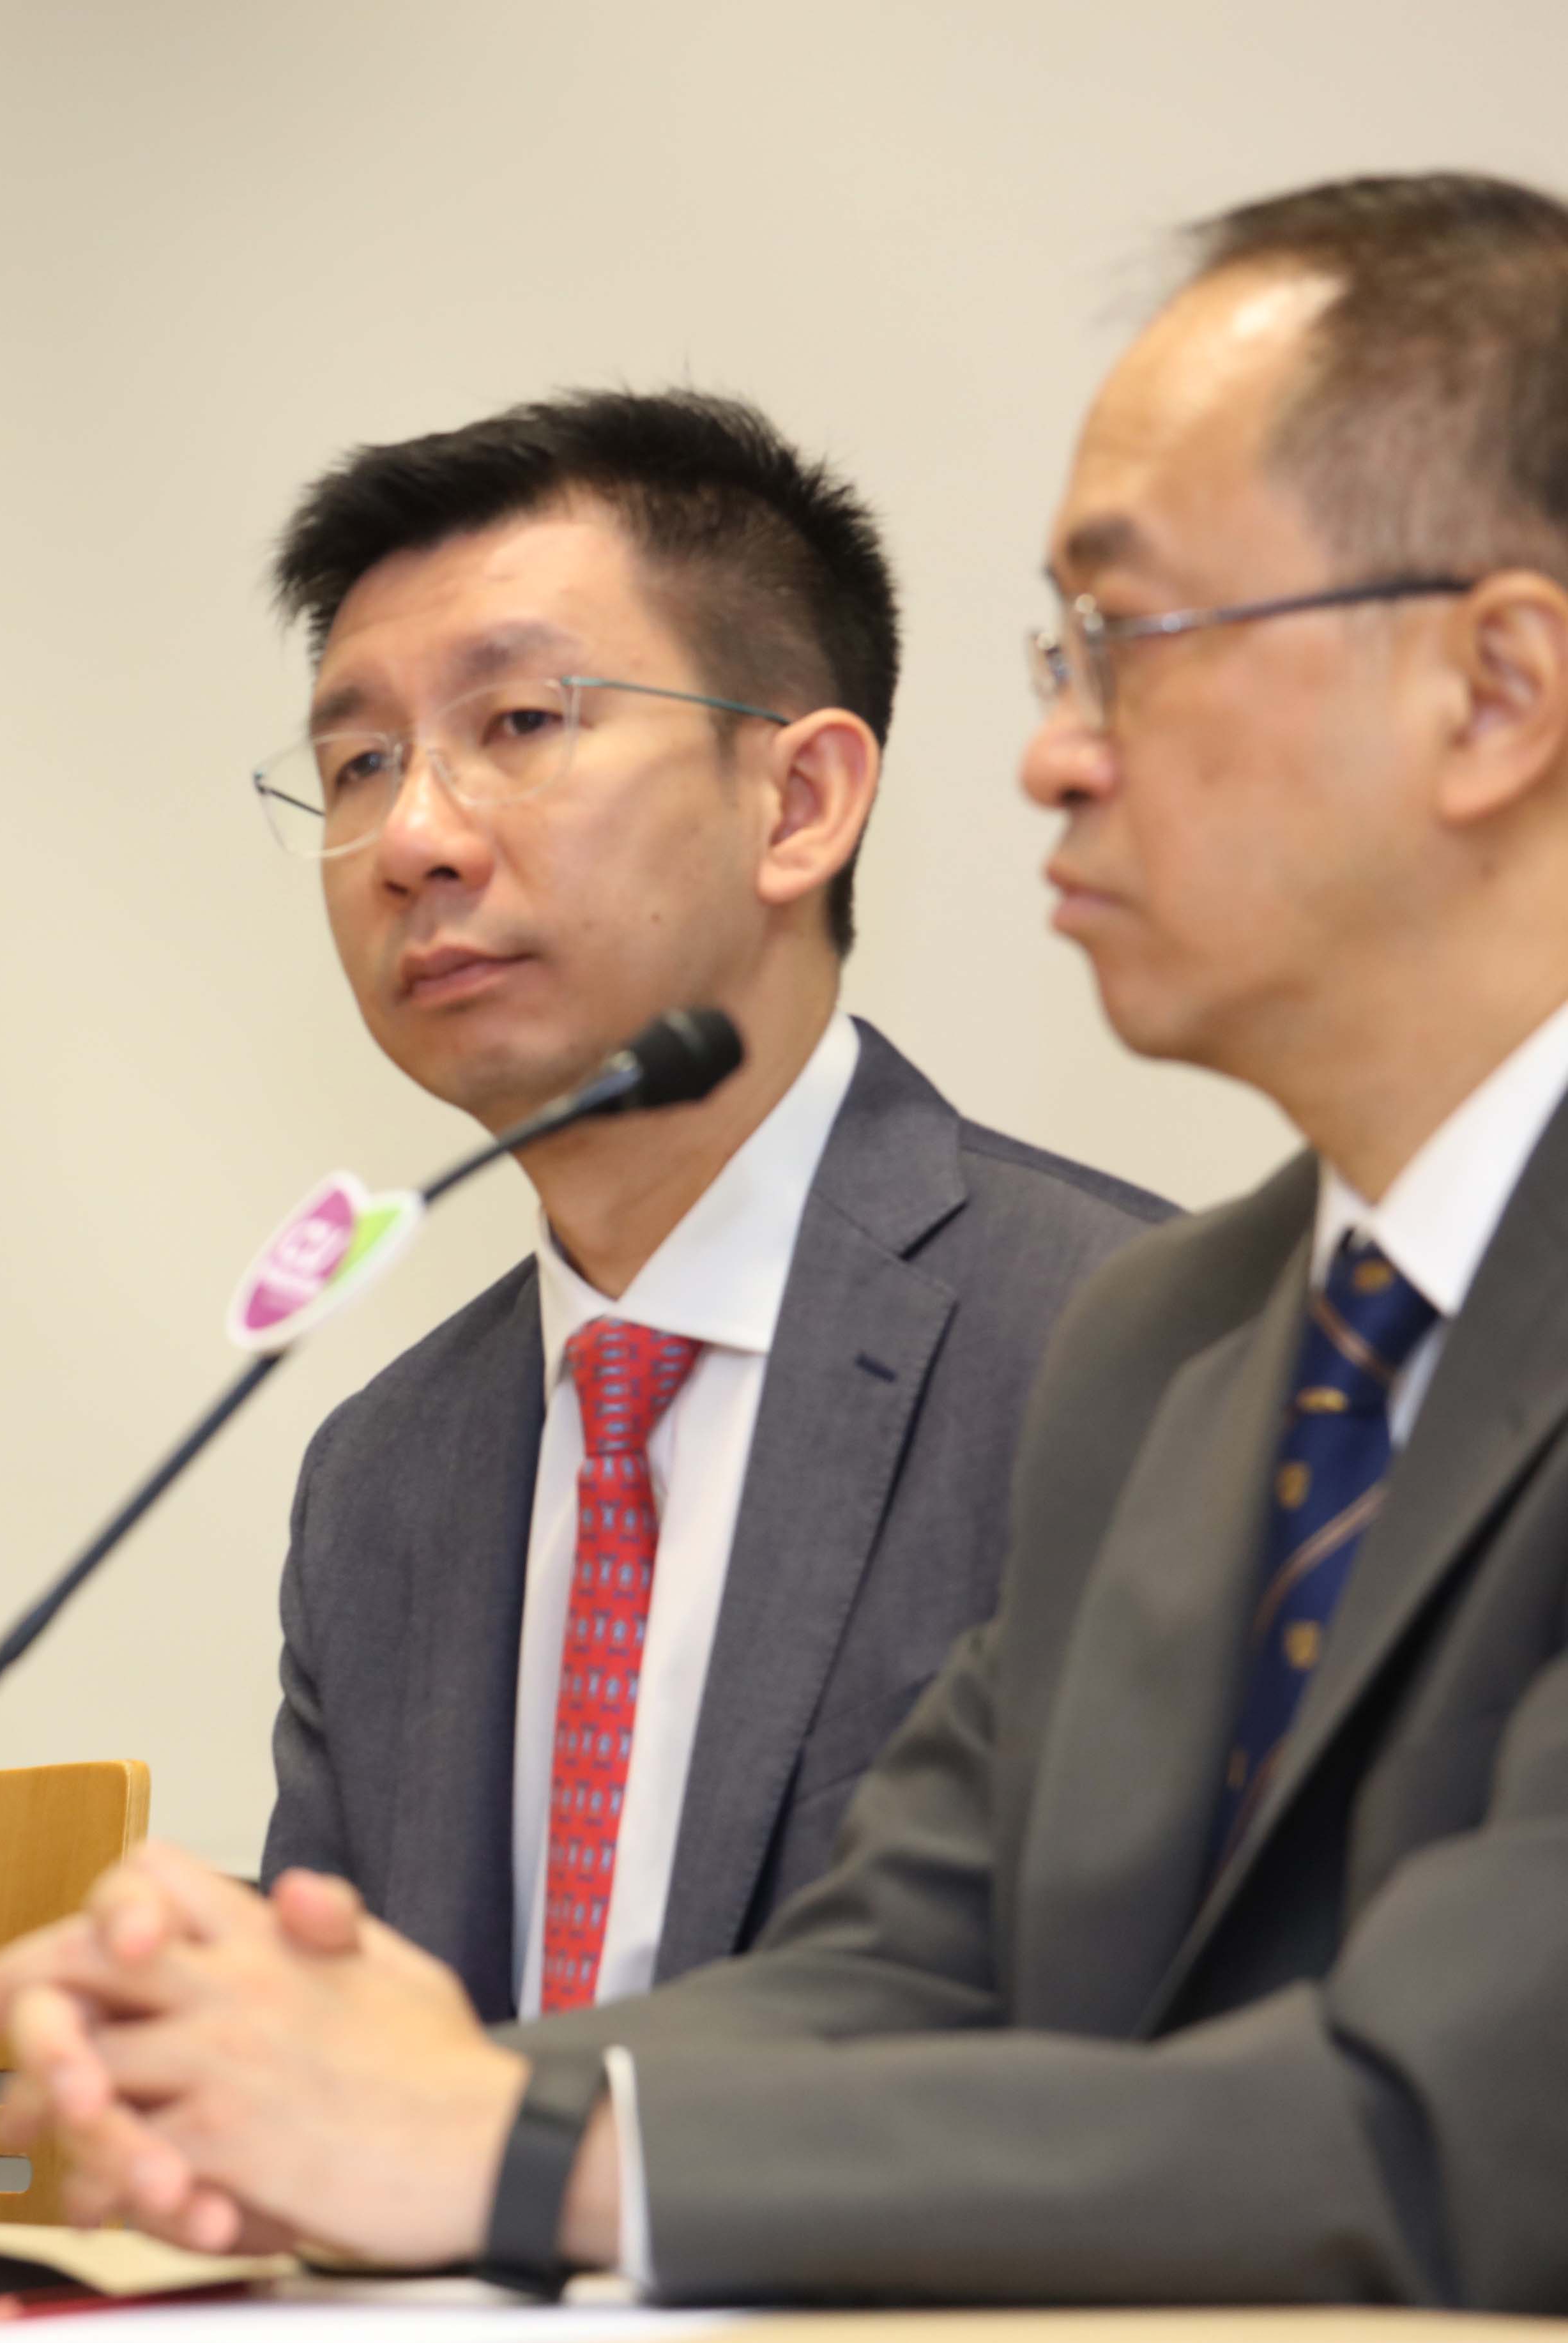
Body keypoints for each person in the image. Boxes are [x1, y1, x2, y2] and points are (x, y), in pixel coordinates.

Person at [0, 171, 1568, 2312]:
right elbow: (900, 1974)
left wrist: (490, 2139)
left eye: (1134, 643)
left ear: (1496, 689)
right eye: (358, 762)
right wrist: (307, 2097)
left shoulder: (1070, 1306)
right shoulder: (1192, 1346)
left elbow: (1452, 2127)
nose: (1054, 754)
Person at [255, 390, 1164, 2020]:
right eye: (356, 762)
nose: (412, 839)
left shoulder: (1137, 1352)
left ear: (798, 801)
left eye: (519, 723)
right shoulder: (380, 1480)